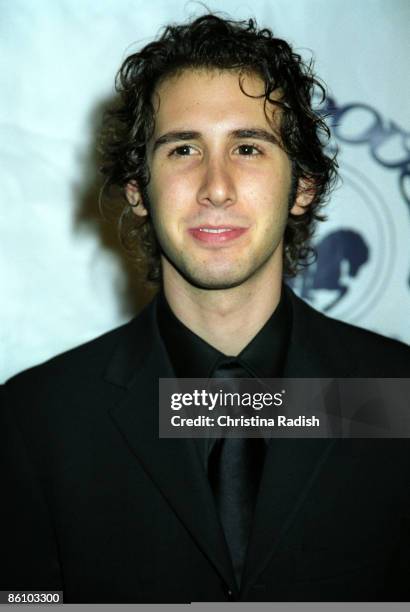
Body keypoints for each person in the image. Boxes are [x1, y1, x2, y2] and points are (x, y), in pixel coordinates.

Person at [1, 13, 410, 604]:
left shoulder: (395, 395)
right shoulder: (37, 421)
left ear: (302, 187)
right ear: (139, 189)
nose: (215, 186)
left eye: (248, 147)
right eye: (183, 148)